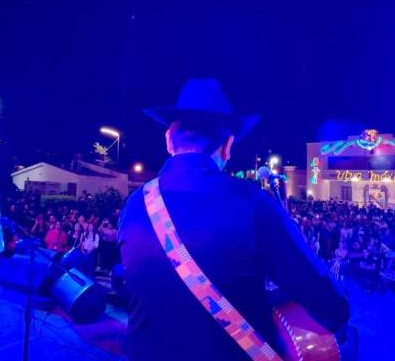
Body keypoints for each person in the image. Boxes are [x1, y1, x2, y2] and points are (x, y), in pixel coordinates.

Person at [118, 79, 350, 361]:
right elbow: (331, 305)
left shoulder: (133, 205)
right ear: (228, 146)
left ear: (169, 139)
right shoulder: (253, 204)